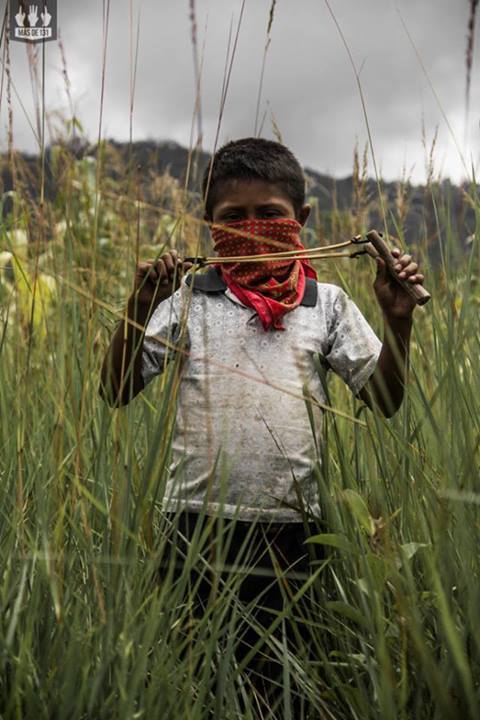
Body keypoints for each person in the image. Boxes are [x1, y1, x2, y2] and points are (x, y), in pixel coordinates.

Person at [99, 137, 425, 717]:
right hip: (194, 528)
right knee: (193, 678)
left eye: (269, 214)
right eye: (232, 218)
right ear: (210, 226)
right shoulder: (188, 300)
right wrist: (139, 305)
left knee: (285, 684)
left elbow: (384, 399)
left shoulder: (325, 305)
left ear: (300, 221)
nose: (251, 228)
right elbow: (116, 390)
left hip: (292, 533)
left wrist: (396, 323)